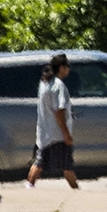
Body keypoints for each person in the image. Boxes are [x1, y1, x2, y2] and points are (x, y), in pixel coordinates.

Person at [28, 54, 79, 189]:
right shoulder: (58, 86)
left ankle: (29, 185)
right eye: (67, 66)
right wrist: (66, 134)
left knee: (41, 162)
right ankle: (77, 191)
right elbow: (59, 111)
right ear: (61, 68)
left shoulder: (44, 83)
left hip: (46, 133)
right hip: (57, 135)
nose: (68, 69)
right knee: (66, 165)